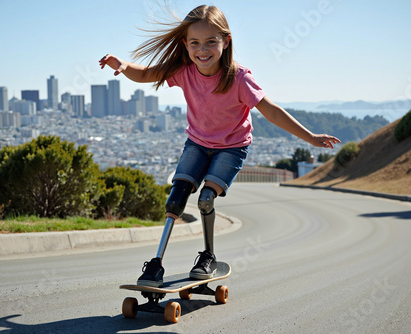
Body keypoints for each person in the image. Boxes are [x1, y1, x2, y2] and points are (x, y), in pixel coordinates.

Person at [100, 5, 340, 287]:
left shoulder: (239, 78)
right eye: (195, 43)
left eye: (211, 42)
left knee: (205, 199)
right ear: (185, 45)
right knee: (175, 199)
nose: (203, 49)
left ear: (226, 41)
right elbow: (146, 74)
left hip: (232, 147)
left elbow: (271, 111)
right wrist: (124, 66)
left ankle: (207, 256)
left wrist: (311, 138)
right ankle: (155, 265)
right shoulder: (184, 71)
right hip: (197, 143)